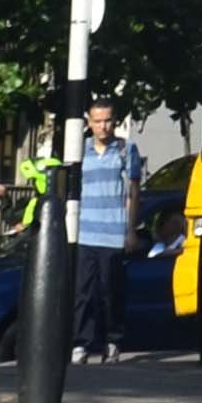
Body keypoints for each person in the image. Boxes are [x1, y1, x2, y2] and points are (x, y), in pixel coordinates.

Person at [68, 99, 150, 362]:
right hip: (85, 233)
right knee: (83, 292)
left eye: (107, 120)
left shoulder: (126, 150)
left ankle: (112, 342)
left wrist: (130, 230)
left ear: (115, 122)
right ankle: (81, 344)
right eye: (97, 121)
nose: (103, 126)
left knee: (110, 292)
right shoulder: (80, 151)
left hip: (113, 233)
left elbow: (133, 193)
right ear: (89, 122)